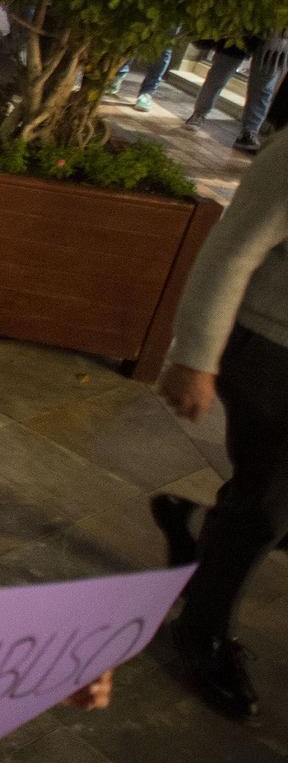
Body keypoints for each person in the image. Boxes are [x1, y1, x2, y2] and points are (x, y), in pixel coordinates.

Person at [153, 129, 288, 720]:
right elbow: (233, 248)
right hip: (272, 353)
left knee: (268, 502)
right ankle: (200, 632)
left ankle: (202, 530)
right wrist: (196, 357)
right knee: (267, 508)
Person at [187, 35, 288, 153]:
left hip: (276, 35)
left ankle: (250, 131)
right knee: (219, 74)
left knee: (263, 86)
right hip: (243, 31)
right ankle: (199, 113)